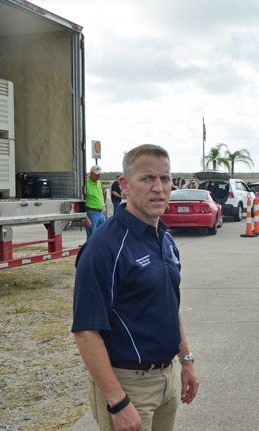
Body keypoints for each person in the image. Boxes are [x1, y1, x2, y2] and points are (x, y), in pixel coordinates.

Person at [72, 144, 199, 431]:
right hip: (128, 385)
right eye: (147, 179)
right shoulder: (104, 247)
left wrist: (186, 360)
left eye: (165, 179)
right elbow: (86, 332)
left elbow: (169, 305)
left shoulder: (164, 238)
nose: (158, 188)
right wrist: (117, 402)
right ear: (125, 186)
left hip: (167, 378)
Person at [85, 165, 107, 240]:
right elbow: (82, 201)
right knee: (92, 237)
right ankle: (90, 251)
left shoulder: (99, 183)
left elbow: (100, 195)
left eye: (100, 174)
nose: (98, 176)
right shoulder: (85, 183)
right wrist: (85, 217)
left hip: (101, 213)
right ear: (91, 173)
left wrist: (103, 206)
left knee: (101, 236)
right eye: (97, 174)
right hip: (91, 213)